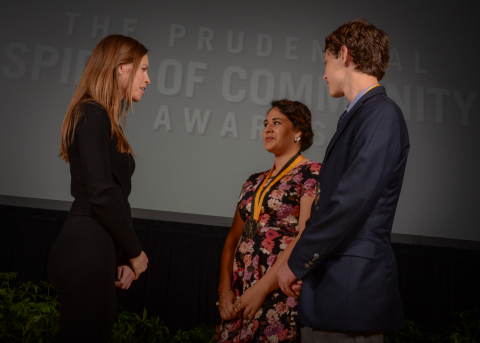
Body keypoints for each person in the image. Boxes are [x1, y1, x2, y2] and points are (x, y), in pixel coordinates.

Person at [277, 19, 410, 343]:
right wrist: (306, 267)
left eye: (326, 61)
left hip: (350, 291)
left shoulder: (380, 114)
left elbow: (350, 202)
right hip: (334, 287)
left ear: (345, 55)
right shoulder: (362, 114)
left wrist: (297, 262)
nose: (323, 73)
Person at [47, 34, 150, 342]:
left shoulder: (101, 117)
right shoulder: (92, 113)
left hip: (96, 247)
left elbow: (108, 195)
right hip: (85, 248)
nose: (148, 79)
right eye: (143, 69)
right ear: (121, 68)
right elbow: (103, 194)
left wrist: (120, 257)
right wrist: (135, 252)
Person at [215, 99, 321, 342]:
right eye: (265, 124)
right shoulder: (253, 180)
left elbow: (305, 234)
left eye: (276, 123)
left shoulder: (312, 172)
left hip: (277, 291)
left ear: (298, 132)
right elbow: (232, 240)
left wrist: (262, 289)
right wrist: (225, 292)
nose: (267, 129)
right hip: (239, 293)